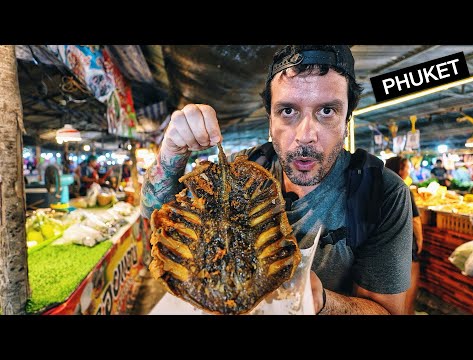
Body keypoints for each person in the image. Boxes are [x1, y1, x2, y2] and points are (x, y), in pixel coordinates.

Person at [141, 45, 412, 315]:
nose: (306, 135)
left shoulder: (381, 192)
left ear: (346, 120)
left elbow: (388, 311)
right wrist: (171, 154)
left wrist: (323, 302)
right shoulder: (244, 171)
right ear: (270, 120)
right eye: (288, 111)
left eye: (327, 111)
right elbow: (159, 218)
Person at [385, 156, 423, 315]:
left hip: (387, 242)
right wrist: (420, 240)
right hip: (405, 240)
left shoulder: (380, 184)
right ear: (400, 169)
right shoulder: (401, 187)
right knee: (411, 277)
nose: (408, 171)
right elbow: (415, 220)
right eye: (406, 167)